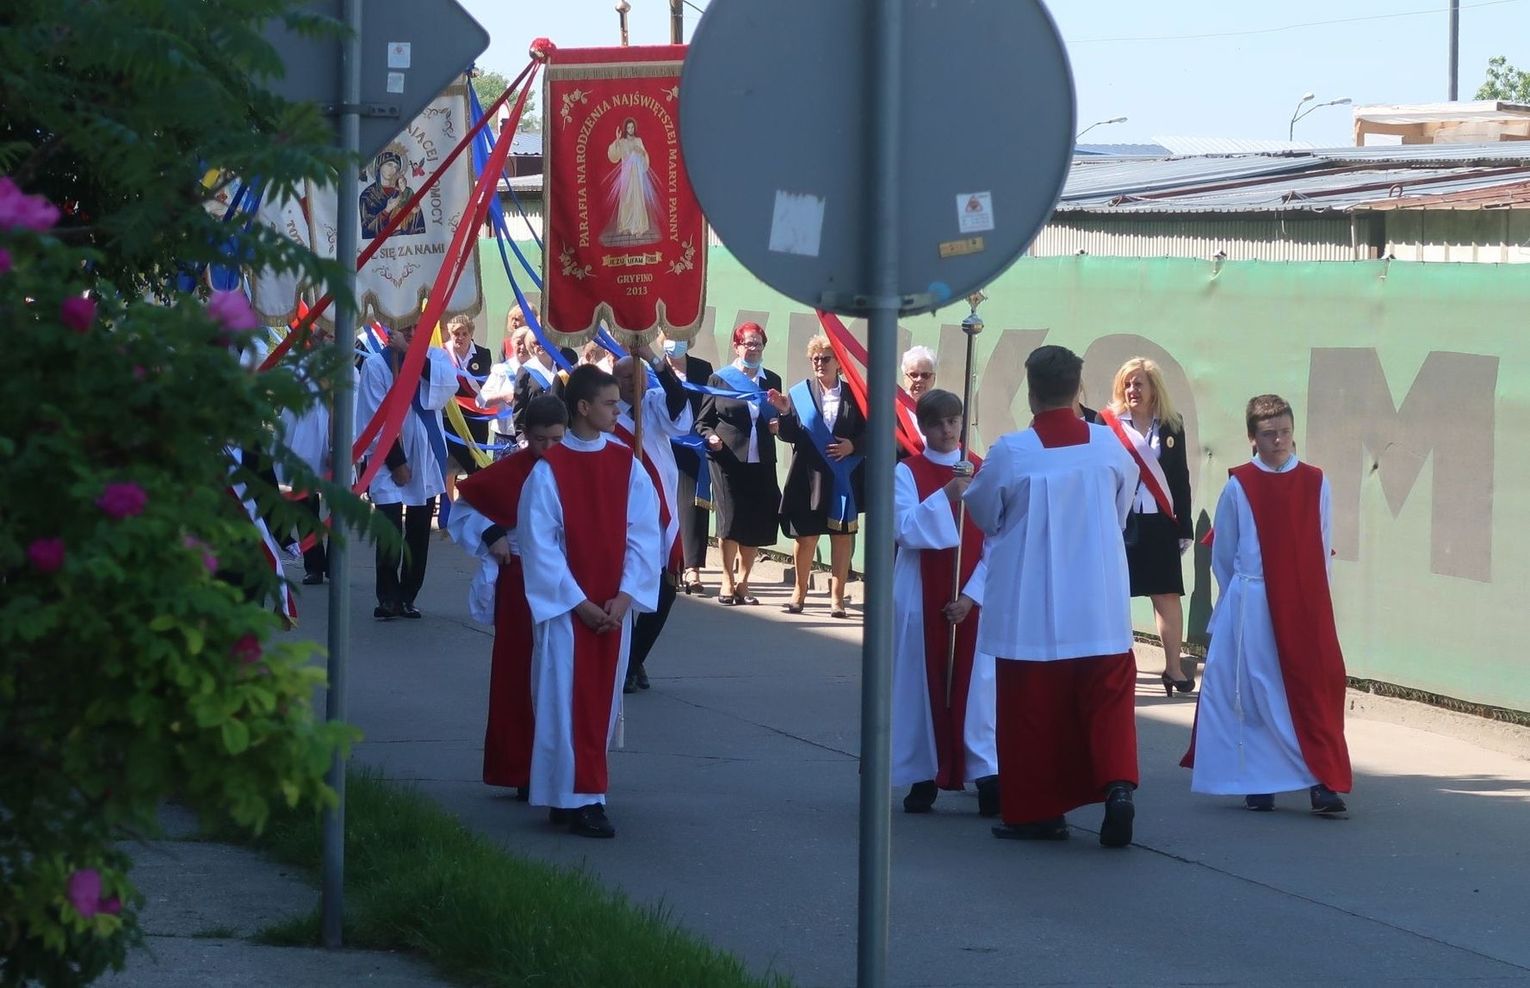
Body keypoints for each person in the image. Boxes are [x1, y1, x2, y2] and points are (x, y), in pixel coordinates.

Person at [962, 345, 1141, 848]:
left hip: (1032, 603)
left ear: (1031, 391)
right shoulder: (1108, 446)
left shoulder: (1012, 451)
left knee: (1032, 709)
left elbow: (984, 514)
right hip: (1099, 599)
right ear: (1078, 388)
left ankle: (1039, 812)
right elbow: (1120, 509)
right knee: (1107, 701)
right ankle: (1118, 787)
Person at [1180, 395, 1351, 816]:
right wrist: (1237, 600)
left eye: (1286, 432)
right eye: (1269, 433)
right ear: (1252, 437)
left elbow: (1322, 543)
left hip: (1304, 602)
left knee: (1312, 689)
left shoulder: (1316, 481)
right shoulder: (1239, 485)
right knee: (1254, 693)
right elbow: (1224, 554)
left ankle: (1320, 781)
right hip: (1252, 601)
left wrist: (1317, 603)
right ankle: (1257, 780)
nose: (1279, 441)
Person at [518, 365, 661, 838]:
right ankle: (574, 797)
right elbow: (540, 546)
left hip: (612, 607)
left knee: (598, 702)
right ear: (583, 407)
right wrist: (580, 603)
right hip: (568, 610)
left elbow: (644, 535)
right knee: (562, 701)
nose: (619, 411)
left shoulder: (626, 463)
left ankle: (582, 794)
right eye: (609, 403)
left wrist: (624, 597)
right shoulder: (549, 470)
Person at [447, 395, 568, 798]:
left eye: (556, 439)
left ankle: (564, 767)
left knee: (563, 675)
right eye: (540, 440)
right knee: (517, 672)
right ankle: (519, 766)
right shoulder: (511, 469)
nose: (548, 449)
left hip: (569, 580)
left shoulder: (579, 467)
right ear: (526, 436)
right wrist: (492, 532)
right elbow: (466, 507)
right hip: (520, 581)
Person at [890, 389, 997, 816]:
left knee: (979, 688)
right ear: (923, 427)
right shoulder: (907, 473)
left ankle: (986, 772)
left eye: (953, 421)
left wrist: (971, 595)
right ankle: (924, 773)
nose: (948, 430)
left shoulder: (984, 471)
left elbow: (998, 539)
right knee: (923, 681)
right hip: (921, 591)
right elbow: (904, 529)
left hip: (974, 594)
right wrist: (948, 495)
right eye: (937, 424)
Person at [1100, 358, 1195, 693]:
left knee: (1166, 593)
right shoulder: (1106, 424)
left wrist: (1184, 526)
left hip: (1160, 522)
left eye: (1138, 383)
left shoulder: (1172, 424)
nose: (1132, 390)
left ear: (1154, 388)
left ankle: (1173, 669)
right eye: (1127, 384)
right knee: (1116, 594)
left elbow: (1180, 478)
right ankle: (1119, 667)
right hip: (1121, 522)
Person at [356, 322, 458, 619]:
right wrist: (397, 462)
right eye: (405, 326)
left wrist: (410, 355)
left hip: (425, 455)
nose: (412, 332)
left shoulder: (436, 357)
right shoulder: (377, 365)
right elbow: (373, 419)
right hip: (389, 456)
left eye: (417, 325)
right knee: (389, 526)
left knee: (418, 530)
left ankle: (408, 595)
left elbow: (444, 389)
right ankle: (388, 597)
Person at [612, 342, 693, 693]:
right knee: (626, 588)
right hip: (622, 516)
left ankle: (634, 659)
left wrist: (655, 361)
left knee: (665, 591)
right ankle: (625, 663)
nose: (634, 383)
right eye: (626, 378)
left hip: (660, 515)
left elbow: (678, 403)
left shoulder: (654, 405)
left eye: (638, 377)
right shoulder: (606, 414)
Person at [769, 334, 866, 617]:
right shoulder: (800, 393)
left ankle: (837, 598)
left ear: (839, 362)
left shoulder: (855, 395)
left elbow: (871, 431)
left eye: (825, 358)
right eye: (815, 359)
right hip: (808, 475)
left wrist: (853, 446)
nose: (820, 363)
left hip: (843, 475)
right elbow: (790, 435)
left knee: (841, 537)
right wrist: (785, 413)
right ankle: (799, 592)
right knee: (806, 536)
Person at [696, 322, 782, 606]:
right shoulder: (720, 379)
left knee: (754, 521)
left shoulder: (772, 380)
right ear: (736, 346)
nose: (753, 349)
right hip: (727, 460)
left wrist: (778, 424)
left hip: (761, 460)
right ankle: (727, 580)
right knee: (730, 520)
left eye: (758, 343)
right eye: (748, 343)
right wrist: (710, 437)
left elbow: (780, 415)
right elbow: (702, 422)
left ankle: (744, 583)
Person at [657, 330, 715, 595]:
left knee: (693, 506)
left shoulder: (703, 369)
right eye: (669, 337)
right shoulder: (653, 369)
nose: (674, 342)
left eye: (679, 337)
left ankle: (692, 568)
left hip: (693, 447)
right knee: (664, 503)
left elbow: (709, 406)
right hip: (662, 444)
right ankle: (666, 564)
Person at [444, 314, 493, 488]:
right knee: (450, 464)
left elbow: (483, 385)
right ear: (450, 334)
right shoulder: (442, 353)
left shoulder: (483, 354)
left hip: (476, 416)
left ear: (471, 334)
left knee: (477, 462)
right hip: (451, 416)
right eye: (456, 333)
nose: (460, 337)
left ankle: (476, 496)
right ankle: (447, 503)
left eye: (464, 333)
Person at [601, 117, 661, 246]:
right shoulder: (622, 142)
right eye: (628, 127)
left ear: (634, 128)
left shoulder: (638, 141)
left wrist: (642, 152)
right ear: (625, 129)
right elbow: (614, 155)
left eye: (632, 127)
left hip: (637, 176)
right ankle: (626, 226)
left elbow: (644, 155)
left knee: (637, 199)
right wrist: (617, 140)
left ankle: (638, 227)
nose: (630, 129)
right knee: (626, 199)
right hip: (626, 175)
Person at [511, 332, 563, 445]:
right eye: (537, 342)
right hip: (536, 435)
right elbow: (519, 408)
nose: (541, 345)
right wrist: (522, 438)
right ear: (531, 346)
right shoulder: (525, 370)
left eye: (545, 341)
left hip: (560, 435)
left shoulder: (563, 368)